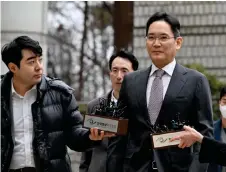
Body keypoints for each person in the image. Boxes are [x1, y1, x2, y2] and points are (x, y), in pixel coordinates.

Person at [107, 12, 213, 172]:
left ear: (178, 42)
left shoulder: (196, 81)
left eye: (163, 38)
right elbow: (119, 134)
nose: (156, 43)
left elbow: (205, 135)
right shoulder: (131, 81)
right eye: (151, 37)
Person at [1, 36, 113, 172]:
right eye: (31, 62)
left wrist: (89, 136)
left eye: (40, 60)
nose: (39, 67)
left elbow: (74, 134)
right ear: (13, 67)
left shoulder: (60, 93)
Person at [79, 50, 139, 172]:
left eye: (124, 71)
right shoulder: (94, 107)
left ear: (135, 75)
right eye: (115, 70)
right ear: (110, 73)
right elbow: (86, 154)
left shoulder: (141, 108)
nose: (119, 76)